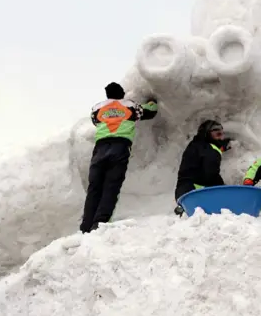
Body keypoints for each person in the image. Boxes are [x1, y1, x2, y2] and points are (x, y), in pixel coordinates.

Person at [80, 82, 159, 233]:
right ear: (122, 93)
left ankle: (86, 226)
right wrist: (152, 102)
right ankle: (100, 222)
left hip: (100, 149)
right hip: (119, 147)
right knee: (111, 185)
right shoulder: (129, 105)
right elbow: (150, 111)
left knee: (94, 188)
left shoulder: (98, 108)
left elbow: (95, 121)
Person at [173, 119, 231, 214]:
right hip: (197, 192)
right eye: (217, 134)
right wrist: (223, 192)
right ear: (207, 134)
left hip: (183, 192)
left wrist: (220, 147)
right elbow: (212, 175)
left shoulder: (195, 145)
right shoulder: (210, 149)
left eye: (222, 134)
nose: (221, 137)